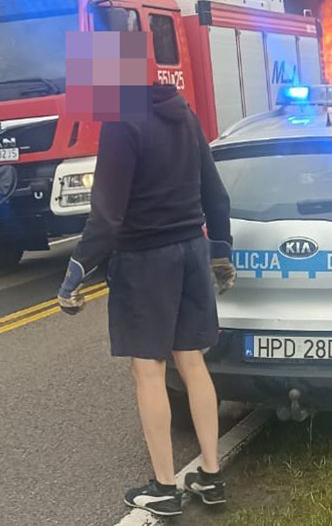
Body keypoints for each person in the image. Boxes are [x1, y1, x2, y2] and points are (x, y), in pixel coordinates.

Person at [57, 81, 237, 518]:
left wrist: (77, 270)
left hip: (144, 260)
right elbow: (216, 193)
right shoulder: (184, 112)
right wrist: (220, 250)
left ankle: (164, 487)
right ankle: (211, 477)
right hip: (191, 252)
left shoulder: (121, 122)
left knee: (149, 371)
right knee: (192, 362)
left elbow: (107, 214)